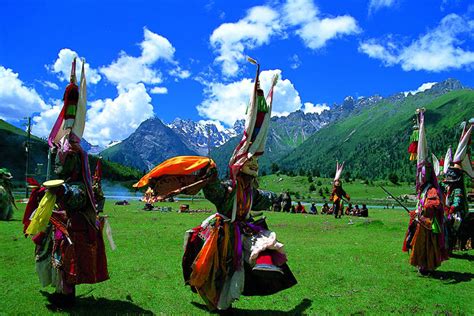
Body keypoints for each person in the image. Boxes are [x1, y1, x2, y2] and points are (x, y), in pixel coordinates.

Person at [134, 61, 296, 312]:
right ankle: (221, 302)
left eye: (254, 164)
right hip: (223, 235)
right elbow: (214, 192)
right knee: (217, 268)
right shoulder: (229, 190)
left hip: (242, 233)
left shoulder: (252, 193)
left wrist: (279, 197)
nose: (253, 166)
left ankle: (227, 300)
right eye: (249, 163)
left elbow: (266, 198)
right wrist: (209, 179)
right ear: (239, 167)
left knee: (246, 263)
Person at [23, 58, 109, 308]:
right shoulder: (64, 147)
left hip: (72, 220)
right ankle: (60, 290)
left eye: (67, 158)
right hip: (58, 215)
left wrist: (63, 190)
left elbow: (80, 194)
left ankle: (66, 294)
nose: (63, 161)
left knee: (66, 256)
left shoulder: (77, 161)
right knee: (52, 254)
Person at [402, 109, 448, 275]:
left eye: (421, 174)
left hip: (428, 224)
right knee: (417, 243)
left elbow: (434, 204)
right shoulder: (424, 189)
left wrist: (422, 214)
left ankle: (426, 266)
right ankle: (422, 265)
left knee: (426, 246)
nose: (419, 177)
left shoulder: (431, 189)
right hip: (422, 222)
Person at [441, 120, 474, 252]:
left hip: (457, 212)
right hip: (449, 210)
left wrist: (451, 208)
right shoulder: (450, 188)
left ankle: (452, 244)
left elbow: (457, 202)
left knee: (453, 222)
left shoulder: (458, 189)